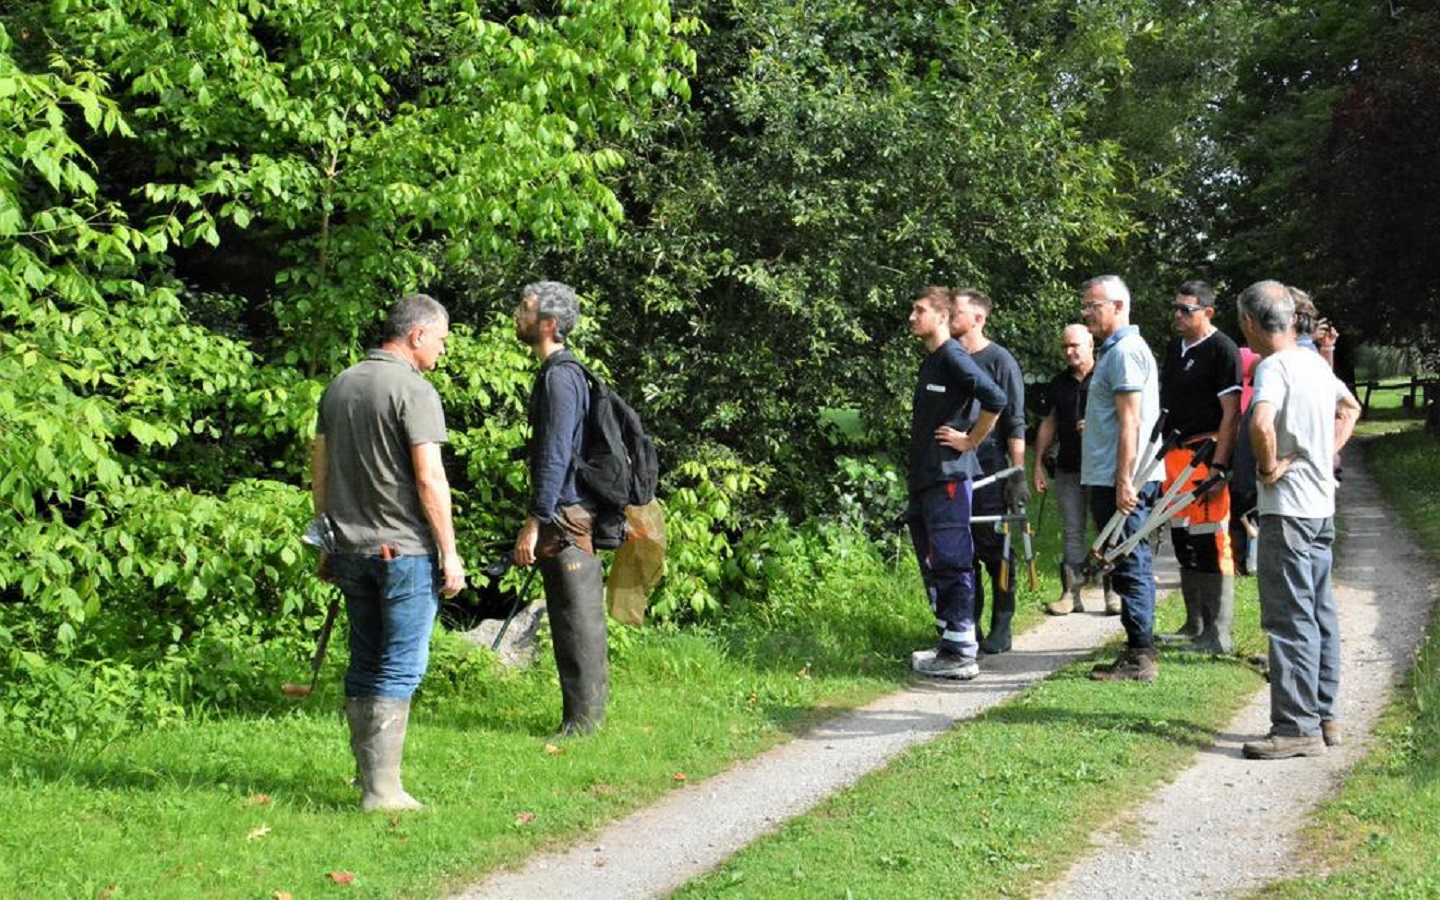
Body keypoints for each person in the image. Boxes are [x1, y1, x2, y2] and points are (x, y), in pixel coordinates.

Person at [312, 292, 467, 812]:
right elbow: (429, 479)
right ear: (417, 335)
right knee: (399, 666)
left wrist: (326, 536)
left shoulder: (340, 385)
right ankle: (384, 791)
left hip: (349, 548)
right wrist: (450, 552)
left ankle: (369, 781)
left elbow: (321, 471)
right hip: (403, 552)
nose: (442, 351)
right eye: (441, 341)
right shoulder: (415, 391)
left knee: (364, 660)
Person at [1237, 280, 1361, 759]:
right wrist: (1324, 452)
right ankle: (1325, 715)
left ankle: (1294, 728)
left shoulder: (1274, 367)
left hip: (1287, 511)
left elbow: (1262, 423)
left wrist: (1269, 468)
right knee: (1319, 611)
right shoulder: (1313, 362)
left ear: (1251, 322)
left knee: (1289, 618)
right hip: (1321, 509)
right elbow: (1350, 407)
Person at [512, 280, 609, 735]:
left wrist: (536, 520)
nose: (518, 314)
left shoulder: (560, 378)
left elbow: (554, 454)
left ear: (548, 324)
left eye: (526, 309)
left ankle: (583, 725)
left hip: (568, 515)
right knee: (571, 617)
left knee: (577, 620)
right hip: (567, 510)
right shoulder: (561, 374)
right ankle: (580, 721)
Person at [905, 286, 1007, 680]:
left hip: (949, 479)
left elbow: (995, 399)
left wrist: (970, 441)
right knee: (936, 560)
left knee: (951, 558)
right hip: (928, 479)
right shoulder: (933, 361)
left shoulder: (953, 356)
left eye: (920, 310)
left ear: (942, 317)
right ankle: (950, 643)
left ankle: (963, 651)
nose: (912, 318)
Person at [1079, 275, 1164, 682]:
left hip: (1124, 478)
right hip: (1113, 474)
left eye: (1093, 306)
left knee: (1130, 560)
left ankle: (1140, 656)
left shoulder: (1125, 352)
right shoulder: (1117, 351)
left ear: (1118, 306)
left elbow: (1132, 423)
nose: (1085, 313)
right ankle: (1139, 647)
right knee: (1125, 560)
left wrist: (1124, 480)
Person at [1157, 280, 1244, 653]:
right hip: (1174, 456)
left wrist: (1219, 465)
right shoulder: (1174, 349)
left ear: (1207, 312)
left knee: (1210, 540)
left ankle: (1218, 633)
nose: (1177, 315)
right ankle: (1194, 623)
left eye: (1186, 310)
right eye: (1175, 307)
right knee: (1183, 540)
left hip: (1205, 455)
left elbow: (1231, 414)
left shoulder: (1222, 349)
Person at [947, 289, 1026, 653]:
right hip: (954, 467)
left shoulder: (1000, 360)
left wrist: (1018, 473)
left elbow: (1015, 421)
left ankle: (1003, 622)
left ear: (978, 318)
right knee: (962, 549)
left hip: (992, 468)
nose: (949, 316)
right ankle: (969, 623)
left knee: (997, 549)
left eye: (957, 311)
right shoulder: (949, 357)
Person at [1034, 324, 1116, 615]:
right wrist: (1038, 465)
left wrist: (1096, 429)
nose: (1069, 352)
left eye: (1075, 346)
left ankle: (1112, 591)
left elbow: (1128, 417)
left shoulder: (1108, 375)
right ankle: (1070, 594)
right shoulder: (1058, 383)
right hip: (1068, 468)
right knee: (1072, 532)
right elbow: (1048, 423)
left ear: (1091, 344)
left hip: (1104, 467)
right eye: (1065, 347)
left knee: (1106, 530)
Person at [1229, 346, 1262, 577]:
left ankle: (1252, 561)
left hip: (1252, 454)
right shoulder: (1237, 390)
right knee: (1238, 507)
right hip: (1238, 453)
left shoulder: (1261, 394)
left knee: (1252, 508)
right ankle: (1239, 561)